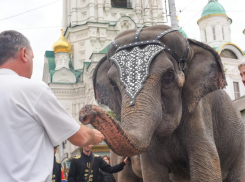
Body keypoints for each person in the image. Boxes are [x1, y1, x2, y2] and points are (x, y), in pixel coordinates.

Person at [0, 30, 104, 182]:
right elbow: (79, 137)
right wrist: (97, 135)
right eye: (32, 57)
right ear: (24, 54)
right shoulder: (32, 90)